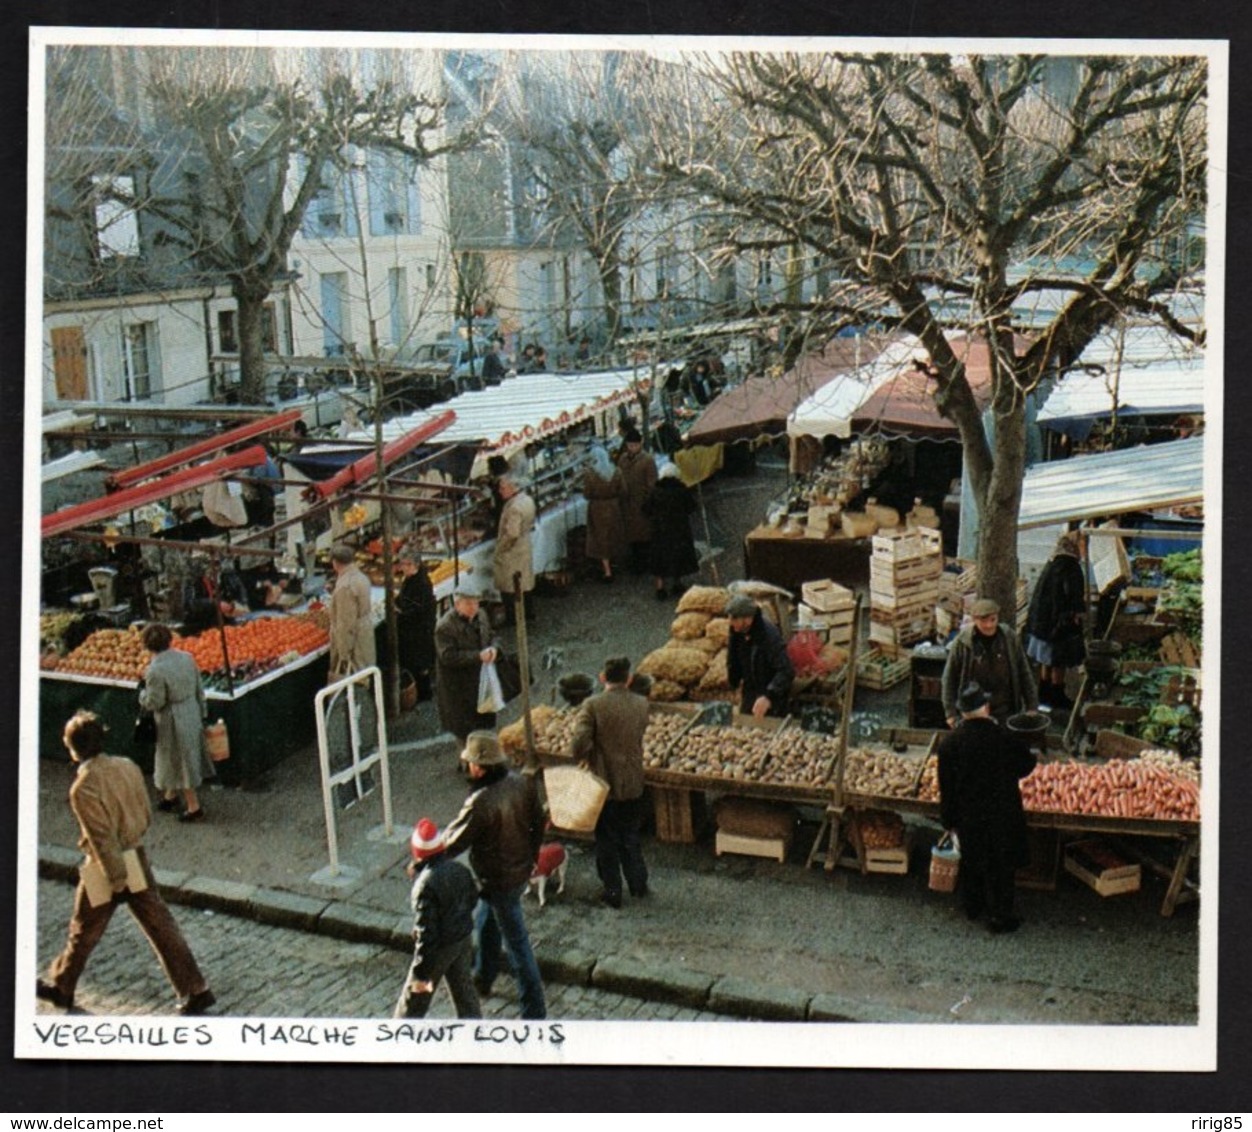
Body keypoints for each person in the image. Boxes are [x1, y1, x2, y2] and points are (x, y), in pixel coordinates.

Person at [36, 710, 216, 1015]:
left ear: (73, 748)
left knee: (84, 929)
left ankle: (62, 986)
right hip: (136, 854)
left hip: (107, 867)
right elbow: (145, 812)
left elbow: (102, 839)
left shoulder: (83, 788)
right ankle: (196, 988)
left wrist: (117, 880)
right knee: (160, 924)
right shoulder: (127, 766)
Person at [442, 731, 547, 1020]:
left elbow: (454, 841)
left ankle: (534, 1012)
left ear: (478, 766)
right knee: (486, 921)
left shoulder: (481, 801)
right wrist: (532, 859)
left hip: (498, 877)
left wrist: (427, 854)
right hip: (518, 871)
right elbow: (538, 823)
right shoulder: (521, 783)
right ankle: (483, 975)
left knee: (518, 947)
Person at [937, 682, 1037, 933]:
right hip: (1002, 812)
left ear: (962, 713)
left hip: (968, 815)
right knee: (1001, 865)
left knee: (972, 861)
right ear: (987, 708)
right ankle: (1001, 916)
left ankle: (973, 907)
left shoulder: (950, 744)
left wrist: (948, 821)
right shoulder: (1003, 737)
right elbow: (1027, 764)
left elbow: (946, 787)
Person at [568, 656, 651, 909]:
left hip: (604, 784)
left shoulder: (593, 705)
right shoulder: (641, 703)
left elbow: (578, 743)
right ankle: (639, 885)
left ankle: (613, 892)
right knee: (630, 835)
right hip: (633, 781)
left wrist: (589, 753)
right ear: (629, 678)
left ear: (603, 678)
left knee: (605, 839)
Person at [393, 818, 482, 1019]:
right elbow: (472, 899)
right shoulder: (460, 870)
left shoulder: (425, 886)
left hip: (438, 950)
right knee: (465, 995)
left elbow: (427, 937)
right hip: (462, 939)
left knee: (413, 1004)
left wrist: (420, 974)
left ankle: (398, 1038)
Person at [138, 622, 210, 822]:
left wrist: (142, 695)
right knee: (181, 756)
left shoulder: (154, 670)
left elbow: (156, 701)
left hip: (171, 718)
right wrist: (202, 711)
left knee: (179, 760)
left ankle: (193, 807)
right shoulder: (187, 658)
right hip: (191, 710)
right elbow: (199, 687)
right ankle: (170, 795)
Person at [941, 597, 1038, 728]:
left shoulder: (1009, 639)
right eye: (983, 620)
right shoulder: (962, 643)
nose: (989, 625)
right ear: (974, 620)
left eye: (993, 620)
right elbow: (949, 678)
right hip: (974, 712)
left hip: (1005, 709)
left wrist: (1031, 706)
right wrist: (950, 713)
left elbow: (1024, 672)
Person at [1024, 531, 1087, 711]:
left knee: (1046, 659)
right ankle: (1056, 696)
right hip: (1058, 622)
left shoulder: (1052, 562)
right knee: (1058, 660)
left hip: (1043, 621)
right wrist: (1075, 615)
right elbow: (1073, 597)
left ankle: (1044, 696)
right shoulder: (1071, 566)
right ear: (1074, 546)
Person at [435, 587, 500, 746]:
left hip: (481, 680)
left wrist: (494, 649)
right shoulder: (445, 627)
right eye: (469, 604)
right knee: (465, 729)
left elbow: (492, 636)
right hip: (458, 686)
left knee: (484, 722)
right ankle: (468, 762)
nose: (474, 607)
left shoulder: (482, 616)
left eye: (476, 603)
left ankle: (485, 756)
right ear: (457, 605)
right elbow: (447, 657)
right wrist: (477, 656)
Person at [725, 594, 794, 718]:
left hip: (771, 694)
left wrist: (768, 696)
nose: (730, 622)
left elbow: (786, 671)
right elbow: (733, 660)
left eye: (734, 618)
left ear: (747, 619)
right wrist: (733, 683)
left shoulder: (769, 636)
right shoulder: (737, 633)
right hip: (750, 691)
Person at [643, 461, 700, 599]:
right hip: (679, 529)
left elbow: (646, 509)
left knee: (660, 559)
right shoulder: (682, 490)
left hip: (660, 530)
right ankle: (677, 583)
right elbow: (691, 507)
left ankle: (660, 587)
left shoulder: (656, 491)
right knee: (678, 556)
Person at [492, 473, 536, 625]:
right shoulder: (527, 499)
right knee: (524, 582)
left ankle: (513, 618)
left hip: (512, 551)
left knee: (510, 585)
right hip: (524, 546)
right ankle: (528, 613)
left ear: (513, 488)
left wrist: (500, 548)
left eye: (503, 488)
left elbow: (512, 533)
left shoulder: (514, 507)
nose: (500, 491)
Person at [394, 549, 437, 702]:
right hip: (415, 629)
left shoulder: (421, 584)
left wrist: (400, 611)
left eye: (404, 565)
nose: (402, 568)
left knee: (420, 664)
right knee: (416, 663)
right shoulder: (411, 579)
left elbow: (417, 608)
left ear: (413, 565)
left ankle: (424, 695)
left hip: (419, 630)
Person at [327, 543, 376, 679]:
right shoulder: (361, 577)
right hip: (364, 635)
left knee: (355, 679)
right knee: (366, 674)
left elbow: (345, 623)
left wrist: (343, 654)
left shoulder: (345, 587)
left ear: (335, 563)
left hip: (355, 644)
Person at [582, 444, 627, 584]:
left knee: (600, 538)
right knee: (613, 535)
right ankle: (616, 564)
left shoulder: (590, 474)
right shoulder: (617, 471)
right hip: (613, 506)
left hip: (598, 508)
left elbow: (587, 493)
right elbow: (624, 491)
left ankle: (607, 570)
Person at [616, 426, 657, 575]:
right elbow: (619, 477)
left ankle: (645, 563)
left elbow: (652, 483)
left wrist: (648, 501)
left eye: (635, 445)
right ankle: (635, 562)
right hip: (627, 505)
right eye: (629, 445)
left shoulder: (647, 460)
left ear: (640, 444)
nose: (632, 448)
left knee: (644, 535)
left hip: (641, 504)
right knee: (631, 536)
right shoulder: (622, 459)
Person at [181, 556, 249, 635]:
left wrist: (239, 604)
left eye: (217, 564)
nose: (215, 568)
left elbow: (240, 590)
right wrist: (215, 603)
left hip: (225, 624)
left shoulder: (226, 577)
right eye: (211, 564)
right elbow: (190, 604)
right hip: (200, 625)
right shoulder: (193, 581)